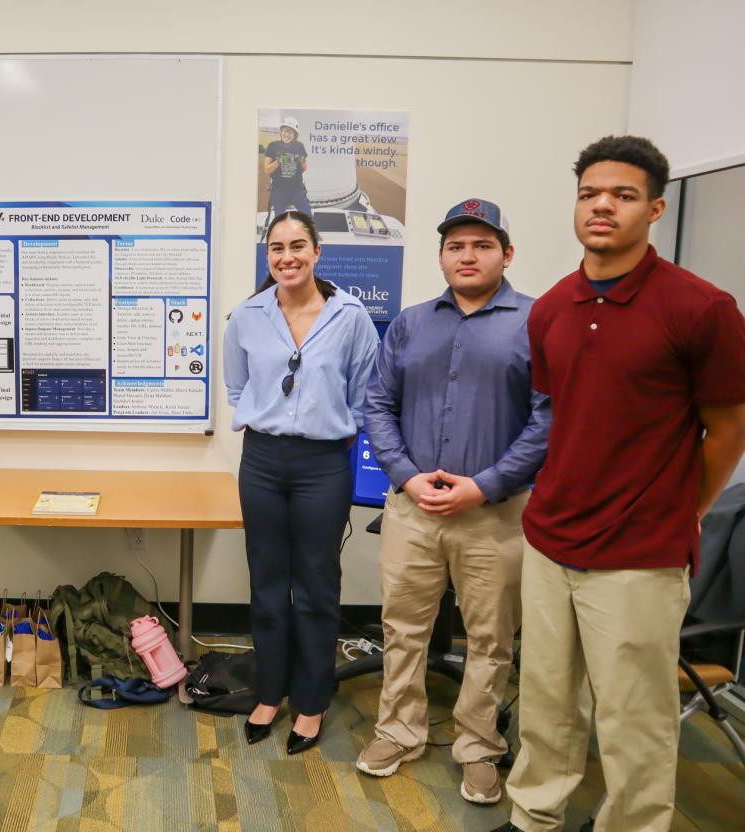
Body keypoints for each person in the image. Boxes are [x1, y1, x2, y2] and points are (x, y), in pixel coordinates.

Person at [496, 136, 745, 832]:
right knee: (546, 702)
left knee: (636, 721)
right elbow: (564, 419)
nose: (602, 205)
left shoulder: (702, 309)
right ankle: (535, 815)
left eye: (623, 195)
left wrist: (682, 511)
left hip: (640, 554)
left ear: (655, 208)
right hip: (550, 540)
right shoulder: (550, 309)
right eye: (589, 194)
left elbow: (727, 430)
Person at [358, 199, 549, 804]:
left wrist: (485, 484)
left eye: (482, 245)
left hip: (495, 512)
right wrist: (407, 477)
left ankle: (478, 746)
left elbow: (549, 418)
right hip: (413, 509)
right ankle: (399, 729)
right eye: (456, 246)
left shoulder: (537, 321)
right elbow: (377, 405)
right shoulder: (413, 323)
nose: (467, 256)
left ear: (506, 254)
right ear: (441, 256)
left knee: (490, 639)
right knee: (402, 626)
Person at [224, 209, 379, 754]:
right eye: (276, 249)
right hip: (262, 461)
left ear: (317, 253)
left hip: (323, 465)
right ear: (267, 257)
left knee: (315, 586)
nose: (286, 257)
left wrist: (321, 431)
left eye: (297, 247)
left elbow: (364, 396)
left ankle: (310, 703)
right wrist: (270, 419)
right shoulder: (246, 316)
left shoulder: (350, 317)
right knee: (267, 584)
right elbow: (237, 389)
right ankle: (269, 693)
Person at [265, 116, 312, 218]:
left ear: (294, 135)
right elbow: (267, 170)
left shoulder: (300, 146)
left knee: (308, 217)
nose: (287, 134)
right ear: (281, 131)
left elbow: (304, 167)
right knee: (279, 220)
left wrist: (300, 159)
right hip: (279, 190)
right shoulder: (273, 146)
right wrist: (278, 162)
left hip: (297, 190)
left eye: (290, 132)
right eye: (285, 131)